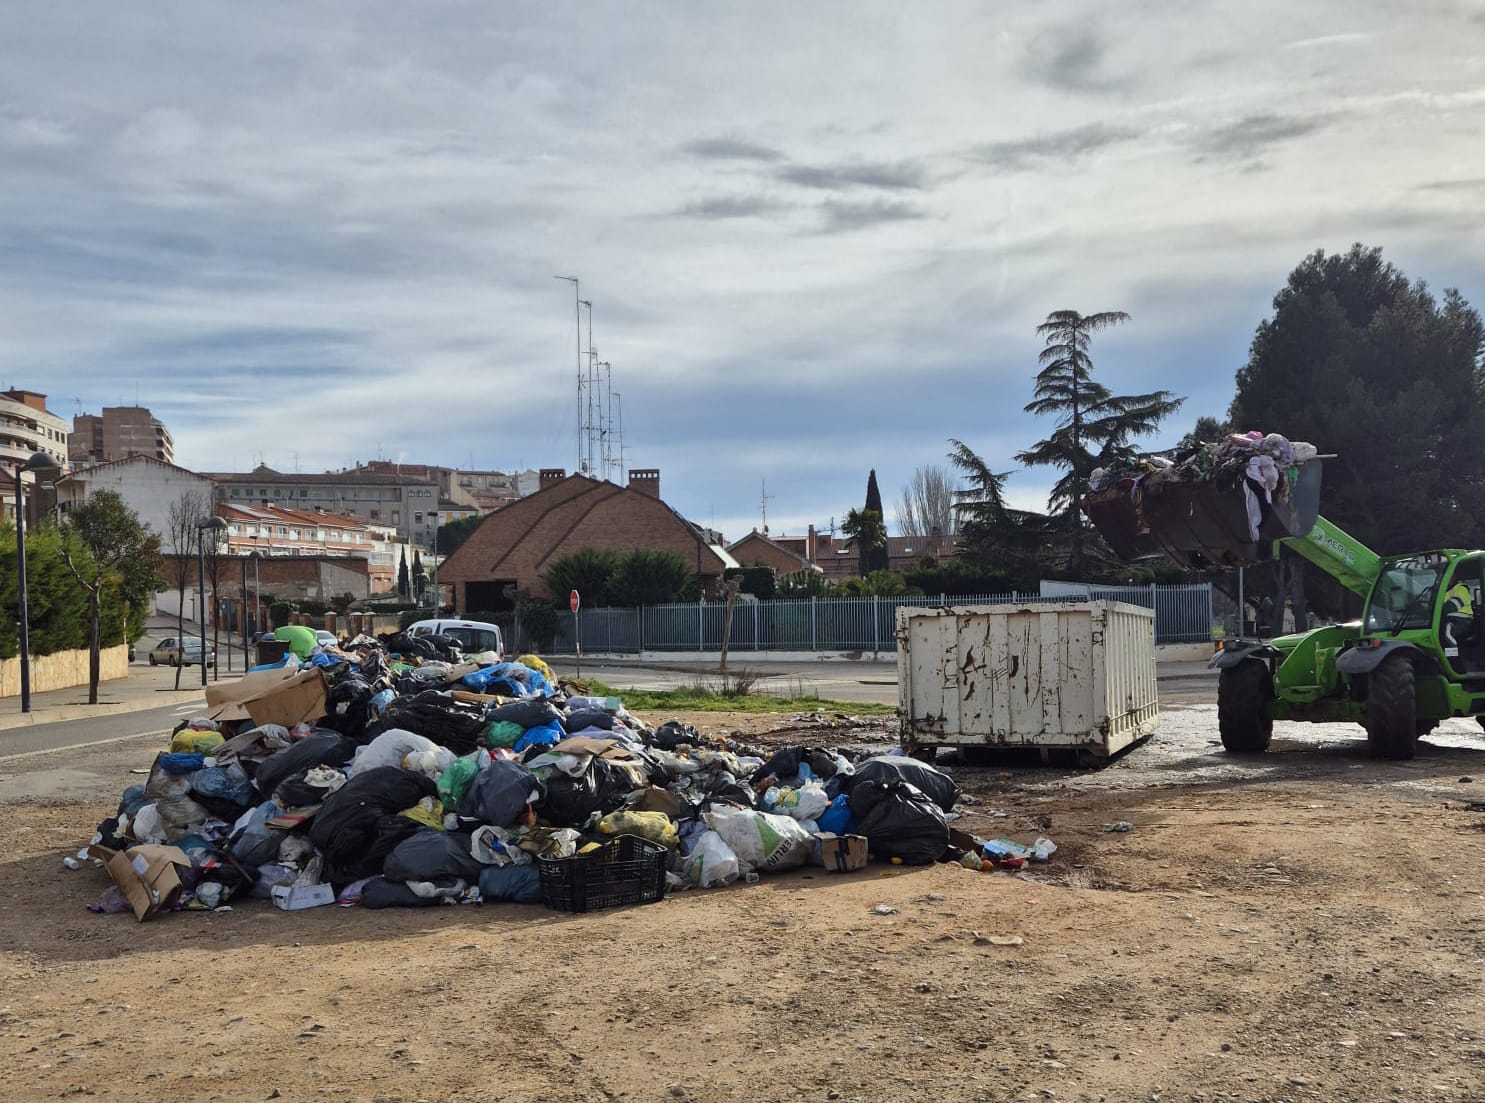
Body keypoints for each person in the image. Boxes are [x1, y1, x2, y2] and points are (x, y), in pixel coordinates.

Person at [1443, 581, 1474, 648]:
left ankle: (1453, 656)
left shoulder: (1461, 588)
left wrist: (1436, 609)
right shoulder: (1443, 591)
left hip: (1463, 621)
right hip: (1450, 619)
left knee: (1447, 632)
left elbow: (1452, 606)